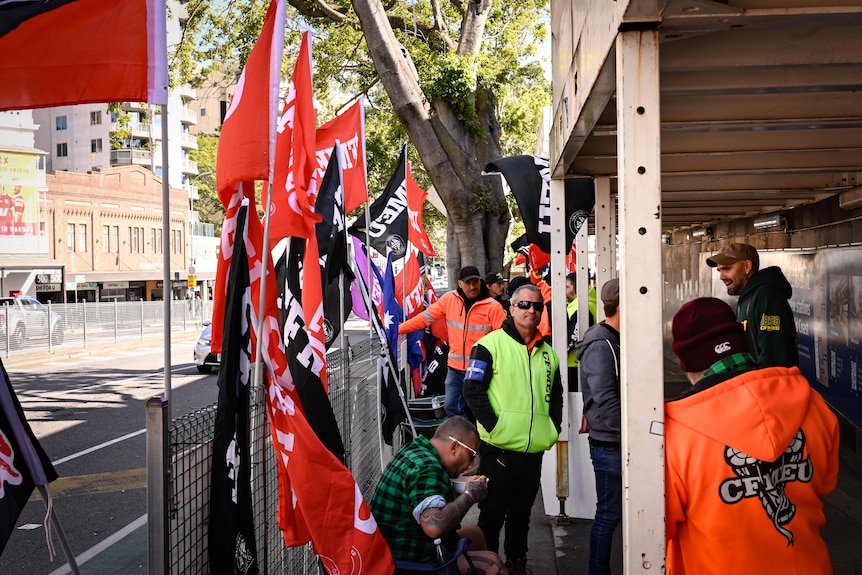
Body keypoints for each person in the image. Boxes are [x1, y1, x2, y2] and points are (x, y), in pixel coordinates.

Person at [665, 297, 839, 574]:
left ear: (685, 362)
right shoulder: (814, 405)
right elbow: (824, 483)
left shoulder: (675, 434)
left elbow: (657, 525)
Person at [463, 284, 563, 575]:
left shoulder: (549, 354)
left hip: (532, 452)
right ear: (511, 308)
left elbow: (555, 396)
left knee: (521, 515)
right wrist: (495, 426)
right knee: (492, 514)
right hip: (498, 450)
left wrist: (553, 428)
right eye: (525, 305)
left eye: (537, 306)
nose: (531, 310)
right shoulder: (489, 345)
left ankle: (517, 563)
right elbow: (472, 390)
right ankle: (486, 565)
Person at [369, 416, 508, 574]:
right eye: (472, 455)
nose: (471, 464)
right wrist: (470, 495)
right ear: (454, 447)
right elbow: (433, 526)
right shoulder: (428, 469)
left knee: (475, 534)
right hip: (406, 559)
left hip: (391, 544)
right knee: (492, 564)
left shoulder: (417, 450)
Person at [400, 265, 506, 418]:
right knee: (451, 406)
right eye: (468, 283)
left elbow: (502, 341)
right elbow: (425, 318)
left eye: (475, 282)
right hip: (455, 369)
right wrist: (400, 329)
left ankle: (477, 439)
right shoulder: (449, 300)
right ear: (460, 283)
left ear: (480, 282)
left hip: (479, 369)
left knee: (479, 410)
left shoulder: (493, 307)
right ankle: (467, 437)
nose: (472, 286)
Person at [575, 278, 622, 575]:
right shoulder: (601, 343)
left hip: (615, 441)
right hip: (611, 444)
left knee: (611, 514)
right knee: (608, 514)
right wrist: (634, 436)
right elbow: (605, 399)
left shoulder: (611, 338)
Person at [706, 242, 798, 368]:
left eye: (727, 269)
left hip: (769, 385)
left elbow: (774, 359)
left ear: (747, 266)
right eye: (719, 271)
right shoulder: (747, 298)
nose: (721, 276)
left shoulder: (767, 297)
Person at [565, 272, 597, 391]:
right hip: (578, 361)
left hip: (574, 363)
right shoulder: (586, 303)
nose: (565, 290)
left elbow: (575, 336)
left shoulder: (583, 306)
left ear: (578, 288)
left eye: (567, 287)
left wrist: (562, 353)